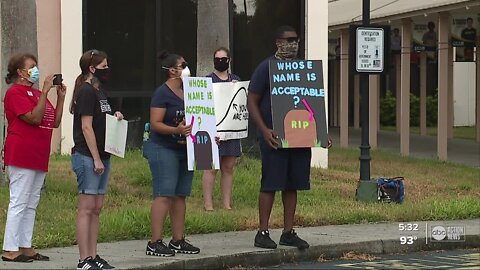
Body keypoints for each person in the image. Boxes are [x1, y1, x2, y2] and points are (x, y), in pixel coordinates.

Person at [248, 25, 331, 251]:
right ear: (278, 42)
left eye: (296, 40)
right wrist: (264, 130)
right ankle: (262, 232)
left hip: (299, 137)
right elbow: (251, 101)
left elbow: (310, 101)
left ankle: (288, 231)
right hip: (274, 137)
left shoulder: (304, 69)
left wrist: (320, 134)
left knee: (292, 184)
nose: (293, 44)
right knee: (270, 183)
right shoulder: (266, 67)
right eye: (288, 40)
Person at [2, 53, 66, 263]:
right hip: (22, 153)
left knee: (31, 202)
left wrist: (60, 98)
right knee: (19, 201)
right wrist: (45, 91)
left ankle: (25, 245)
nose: (36, 70)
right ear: (20, 72)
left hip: (39, 155)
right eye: (31, 67)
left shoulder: (36, 93)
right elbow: (35, 118)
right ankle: (10, 249)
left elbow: (53, 122)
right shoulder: (15, 93)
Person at [144, 51, 200, 257]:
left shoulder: (193, 91)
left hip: (185, 149)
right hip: (163, 147)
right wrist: (176, 130)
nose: (187, 68)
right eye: (183, 64)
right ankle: (154, 242)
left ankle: (178, 239)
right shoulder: (162, 93)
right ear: (172, 71)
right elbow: (156, 123)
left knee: (180, 195)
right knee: (164, 193)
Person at [70, 49, 123, 270]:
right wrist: (95, 158)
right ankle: (84, 259)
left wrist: (116, 116)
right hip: (87, 156)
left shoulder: (101, 92)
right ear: (92, 68)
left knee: (97, 207)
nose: (107, 70)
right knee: (87, 207)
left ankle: (93, 254)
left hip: (103, 154)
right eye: (103, 67)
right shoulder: (86, 91)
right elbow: (86, 126)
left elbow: (102, 119)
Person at [202, 47, 241, 211]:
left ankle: (226, 203)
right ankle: (208, 204)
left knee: (228, 167)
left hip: (231, 130)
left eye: (223, 58)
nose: (220, 61)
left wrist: (236, 87)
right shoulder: (207, 81)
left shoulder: (236, 80)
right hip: (212, 131)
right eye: (217, 58)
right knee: (211, 167)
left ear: (229, 60)